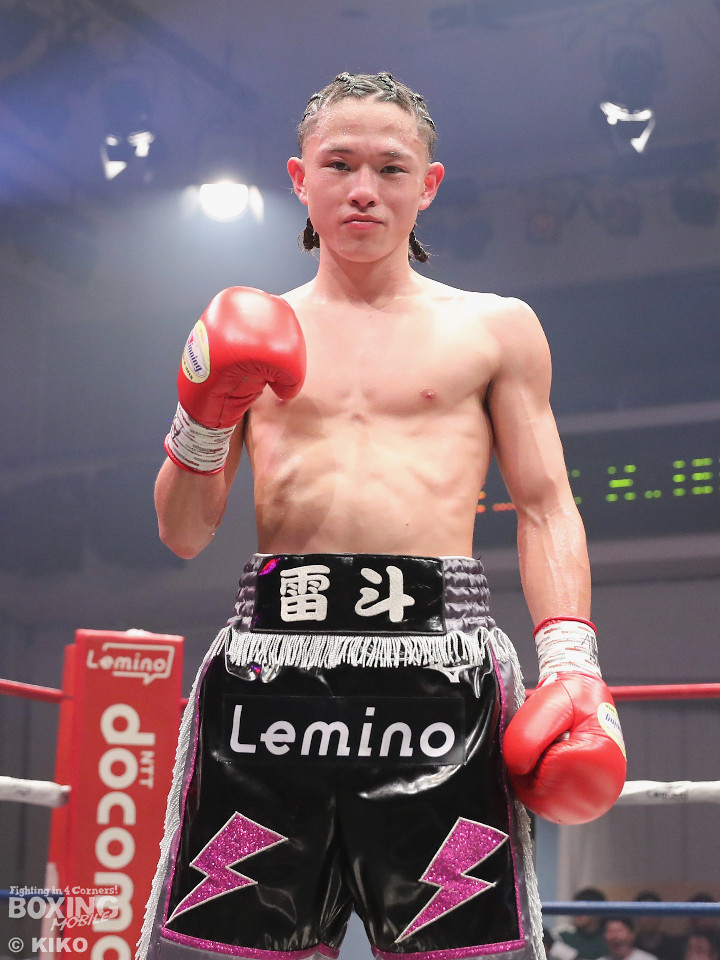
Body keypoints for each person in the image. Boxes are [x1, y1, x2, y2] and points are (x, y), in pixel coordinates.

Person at [138, 72, 627, 960]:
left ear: (427, 185)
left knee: (457, 950)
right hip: (272, 679)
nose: (363, 188)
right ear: (300, 178)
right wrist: (203, 420)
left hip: (438, 678)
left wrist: (573, 665)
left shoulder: (495, 328)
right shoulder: (249, 324)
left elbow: (545, 504)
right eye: (339, 164)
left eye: (390, 168)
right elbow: (182, 532)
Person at [557, 888, 609, 960]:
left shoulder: (609, 939)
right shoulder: (563, 935)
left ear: (597, 912)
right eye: (575, 909)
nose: (576, 914)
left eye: (582, 910)